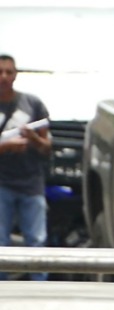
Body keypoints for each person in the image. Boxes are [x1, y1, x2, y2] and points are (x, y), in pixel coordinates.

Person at [0, 55, 50, 279]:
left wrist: (33, 139)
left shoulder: (32, 104)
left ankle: (39, 294)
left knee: (36, 242)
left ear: (16, 74)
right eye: (0, 72)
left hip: (31, 183)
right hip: (2, 184)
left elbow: (46, 146)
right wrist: (6, 147)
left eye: (9, 72)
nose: (4, 77)